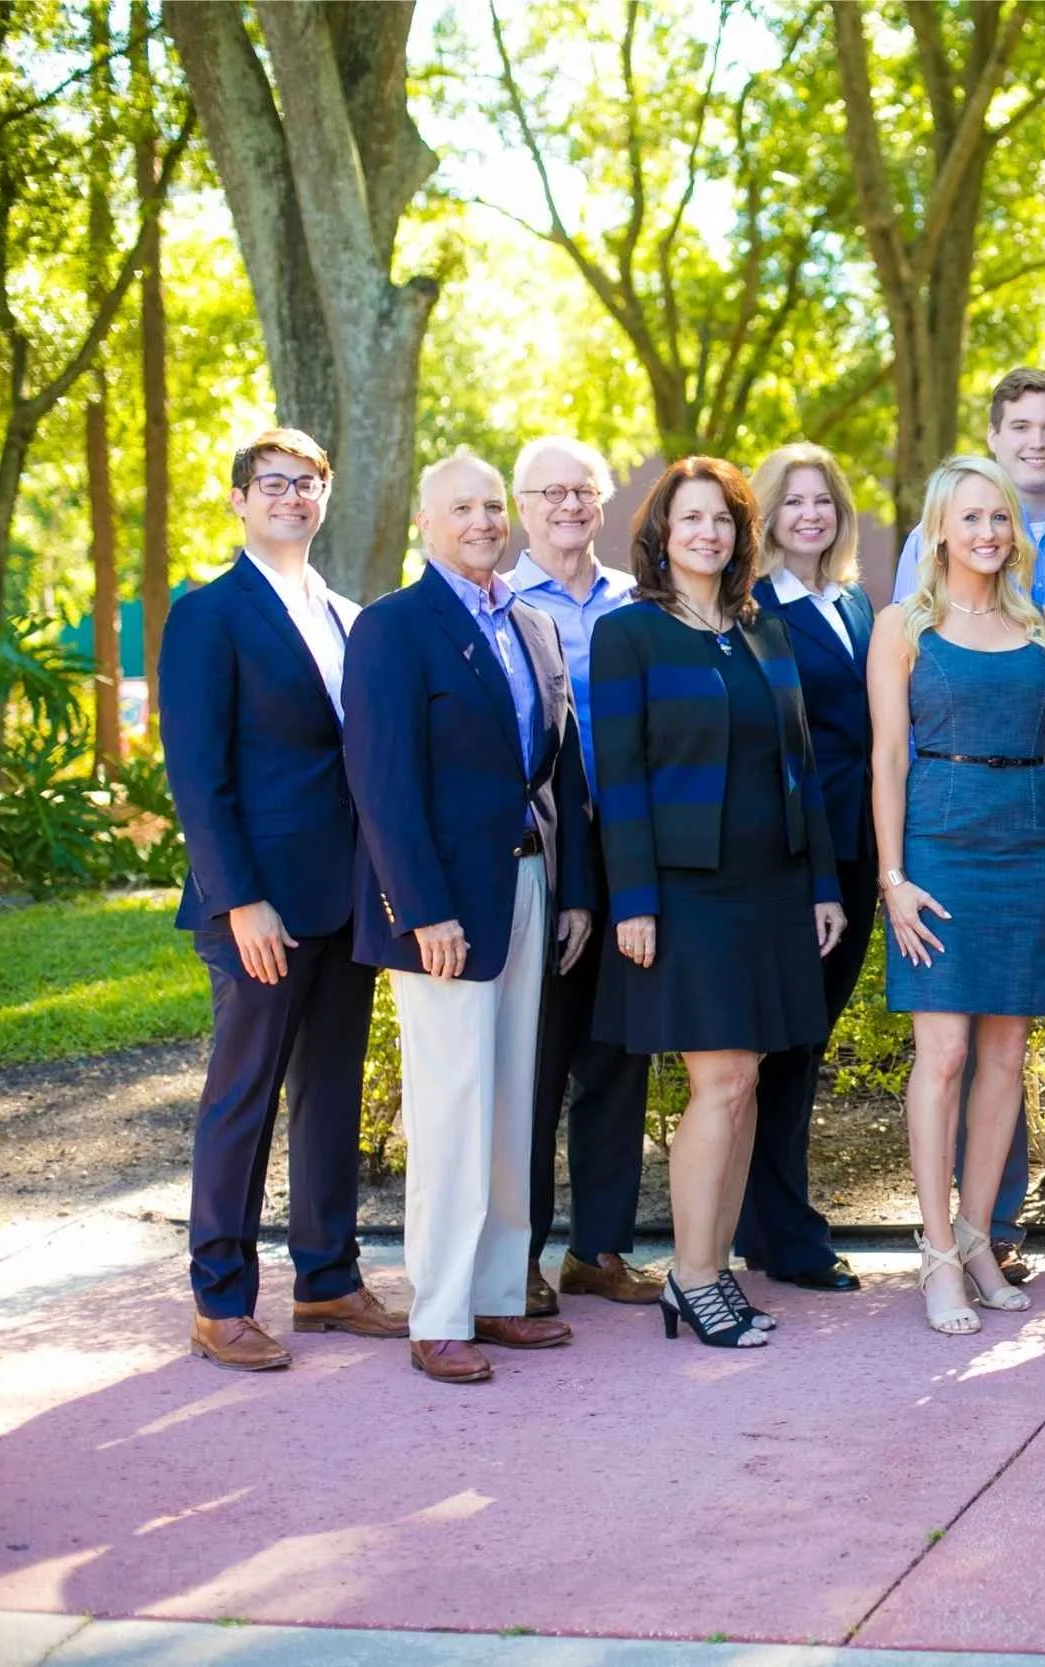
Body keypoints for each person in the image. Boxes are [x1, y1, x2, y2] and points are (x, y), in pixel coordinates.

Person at [344, 451, 598, 1385]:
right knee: (452, 1108)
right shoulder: (393, 628)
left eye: (494, 504)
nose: (485, 519)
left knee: (512, 1101)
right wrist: (422, 912)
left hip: (531, 885)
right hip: (444, 907)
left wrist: (572, 891)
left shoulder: (530, 623)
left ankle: (499, 1290)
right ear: (426, 522)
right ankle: (440, 1311)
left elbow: (557, 765)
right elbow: (382, 784)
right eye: (465, 506)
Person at [588, 457, 848, 1348]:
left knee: (750, 1082)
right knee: (722, 1079)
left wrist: (821, 883)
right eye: (691, 518)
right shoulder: (629, 634)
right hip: (686, 892)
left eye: (724, 520)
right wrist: (634, 900)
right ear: (662, 533)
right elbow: (617, 777)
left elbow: (802, 766)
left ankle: (714, 1270)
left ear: (742, 535)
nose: (708, 533)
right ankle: (692, 1275)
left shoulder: (760, 629)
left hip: (773, 887)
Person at [160, 427, 405, 1371]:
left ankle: (327, 1278)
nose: (292, 496)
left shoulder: (347, 614)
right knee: (244, 1096)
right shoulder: (208, 615)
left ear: (325, 497)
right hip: (258, 903)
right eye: (274, 483)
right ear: (239, 499)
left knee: (331, 1092)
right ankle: (219, 1298)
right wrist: (240, 900)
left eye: (308, 483)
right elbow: (200, 777)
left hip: (345, 897)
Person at [892, 369, 1045, 1279]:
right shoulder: (926, 562)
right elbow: (906, 720)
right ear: (993, 437)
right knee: (969, 1034)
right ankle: (982, 1225)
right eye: (1021, 426)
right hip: (956, 813)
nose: (1038, 441)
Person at [871, 455, 1045, 1335]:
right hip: (938, 845)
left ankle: (976, 1241)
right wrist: (893, 877)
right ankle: (933, 1251)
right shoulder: (903, 625)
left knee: (1005, 1056)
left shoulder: (1042, 625)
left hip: (1027, 846)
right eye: (971, 520)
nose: (989, 535)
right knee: (947, 1055)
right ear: (938, 530)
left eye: (1000, 519)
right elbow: (889, 757)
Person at [504, 435, 658, 1316]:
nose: (569, 505)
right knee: (536, 1057)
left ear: (602, 503)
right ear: (524, 505)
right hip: (545, 849)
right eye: (549, 492)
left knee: (618, 1055)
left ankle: (598, 1248)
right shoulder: (500, 600)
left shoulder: (636, 603)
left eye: (583, 491)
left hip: (628, 844)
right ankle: (517, 1254)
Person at [737, 441, 876, 1295]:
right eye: (793, 503)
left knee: (806, 1041)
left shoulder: (856, 602)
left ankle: (767, 1221)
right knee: (783, 1043)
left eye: (823, 501)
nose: (811, 516)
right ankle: (784, 1233)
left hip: (862, 846)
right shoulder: (756, 611)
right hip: (798, 854)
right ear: (767, 516)